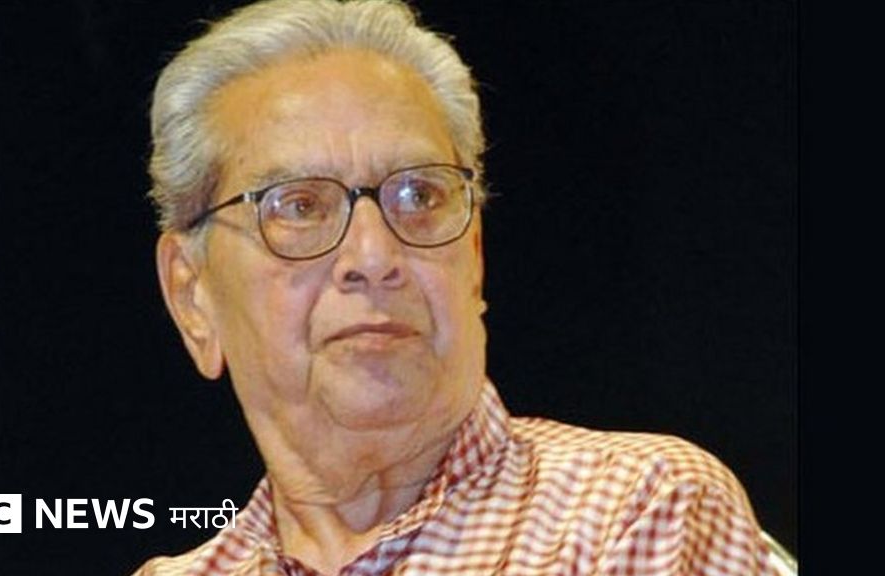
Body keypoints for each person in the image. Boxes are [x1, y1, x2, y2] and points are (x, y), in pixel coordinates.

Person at [134, 0, 775, 574]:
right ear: (192, 297)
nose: (373, 255)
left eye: (420, 196)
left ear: (473, 258)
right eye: (300, 206)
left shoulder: (635, 511)